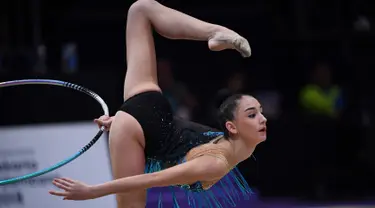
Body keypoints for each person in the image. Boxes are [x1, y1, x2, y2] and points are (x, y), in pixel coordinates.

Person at [48, 0, 266, 207]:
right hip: (142, 123)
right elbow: (151, 178)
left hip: (150, 111)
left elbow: (178, 134)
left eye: (258, 112)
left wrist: (125, 121)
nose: (263, 118)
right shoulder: (215, 163)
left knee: (140, 10)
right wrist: (92, 191)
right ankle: (215, 32)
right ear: (231, 127)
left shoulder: (231, 148)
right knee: (140, 10)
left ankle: (215, 32)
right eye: (253, 114)